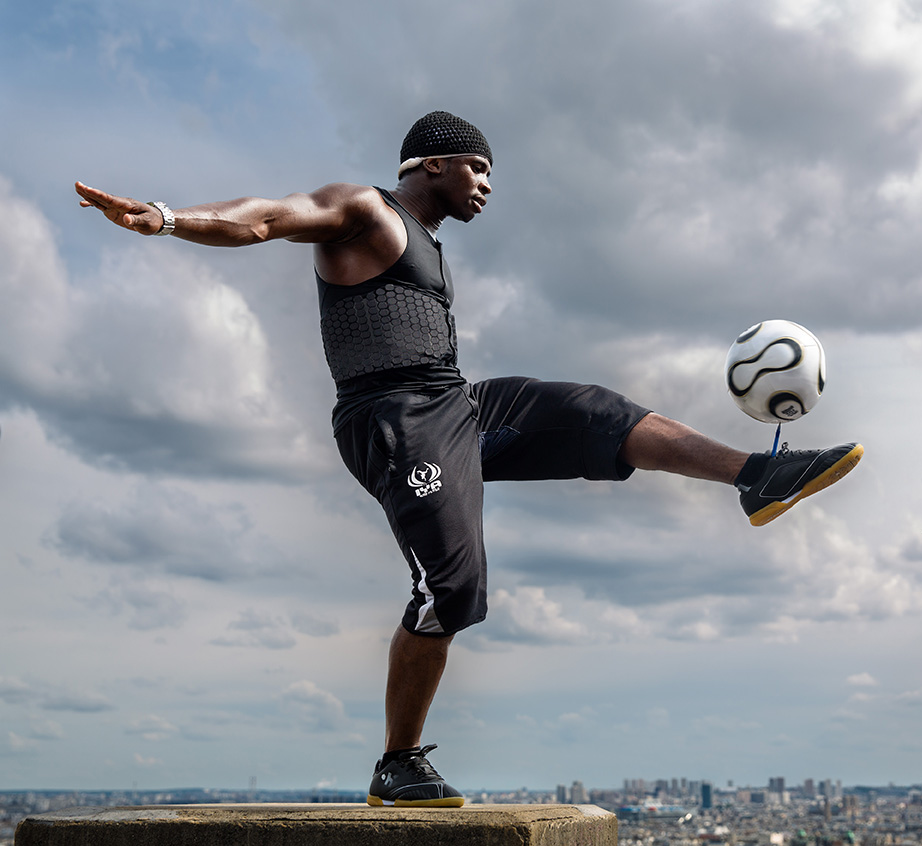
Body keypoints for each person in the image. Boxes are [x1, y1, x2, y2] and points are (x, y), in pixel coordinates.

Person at [76, 110, 862, 808]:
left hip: (454, 401)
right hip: (392, 417)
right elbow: (268, 219)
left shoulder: (432, 248)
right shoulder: (364, 210)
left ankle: (757, 476)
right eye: (478, 168)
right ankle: (398, 762)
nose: (487, 184)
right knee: (452, 589)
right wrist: (170, 218)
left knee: (593, 411)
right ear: (431, 164)